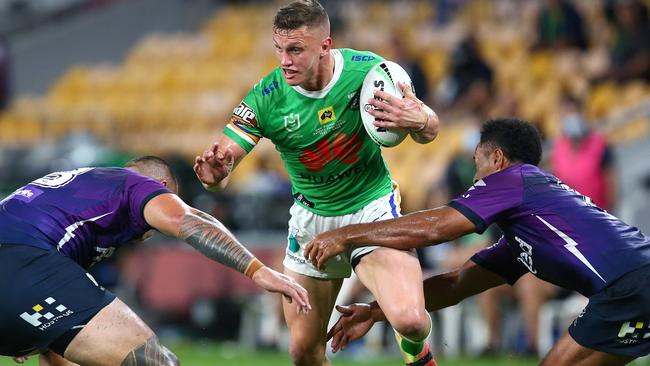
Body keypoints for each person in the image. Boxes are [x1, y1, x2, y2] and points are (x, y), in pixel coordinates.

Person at [193, 1, 440, 365]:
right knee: (303, 352)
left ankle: (415, 350)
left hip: (370, 211)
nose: (284, 60)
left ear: (325, 45)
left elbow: (430, 130)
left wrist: (419, 119)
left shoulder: (367, 71)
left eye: (295, 50)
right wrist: (215, 176)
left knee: (412, 322)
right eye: (279, 49)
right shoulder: (266, 97)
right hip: (311, 224)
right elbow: (223, 163)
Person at [305, 118, 650, 365]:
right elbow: (457, 284)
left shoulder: (515, 178)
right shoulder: (529, 227)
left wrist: (347, 235)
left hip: (629, 287)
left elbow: (436, 228)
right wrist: (377, 312)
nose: (473, 177)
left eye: (477, 162)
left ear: (497, 158)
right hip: (635, 286)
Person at [0, 156, 310, 366]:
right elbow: (189, 221)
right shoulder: (136, 184)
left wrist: (29, 331)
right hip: (23, 263)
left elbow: (60, 348)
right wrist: (256, 270)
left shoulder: (75, 193)